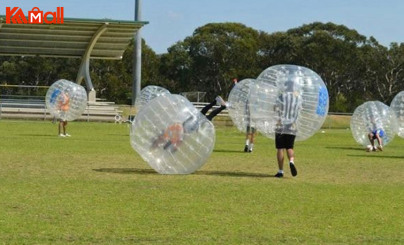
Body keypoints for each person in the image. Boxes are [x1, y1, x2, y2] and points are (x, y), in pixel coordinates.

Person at [151, 96, 228, 152]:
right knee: (203, 114)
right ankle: (216, 102)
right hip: (187, 126)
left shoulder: (167, 134)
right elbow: (174, 140)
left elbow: (179, 138)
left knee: (207, 117)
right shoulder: (167, 135)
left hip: (187, 127)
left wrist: (174, 147)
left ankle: (221, 106)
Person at [274, 79, 302, 178]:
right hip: (292, 125)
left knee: (280, 148)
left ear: (285, 87)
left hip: (280, 125)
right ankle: (291, 161)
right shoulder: (297, 98)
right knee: (289, 147)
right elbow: (299, 111)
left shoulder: (281, 96)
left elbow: (275, 108)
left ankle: (281, 171)